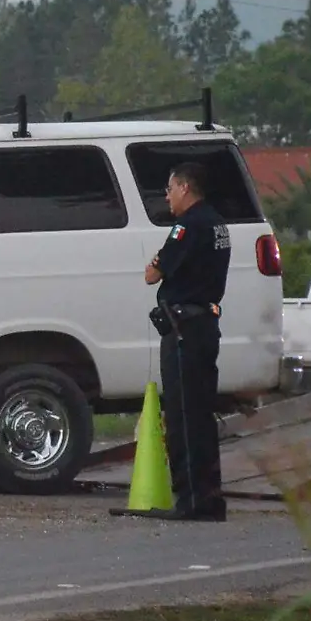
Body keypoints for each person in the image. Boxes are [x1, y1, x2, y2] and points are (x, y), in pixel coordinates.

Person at [132, 161, 231, 522]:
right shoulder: (218, 223)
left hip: (184, 331)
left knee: (183, 416)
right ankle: (210, 496)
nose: (167, 196)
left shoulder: (187, 226)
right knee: (202, 414)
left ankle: (191, 500)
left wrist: (156, 265)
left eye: (170, 188)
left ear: (185, 188)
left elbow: (152, 274)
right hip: (206, 324)